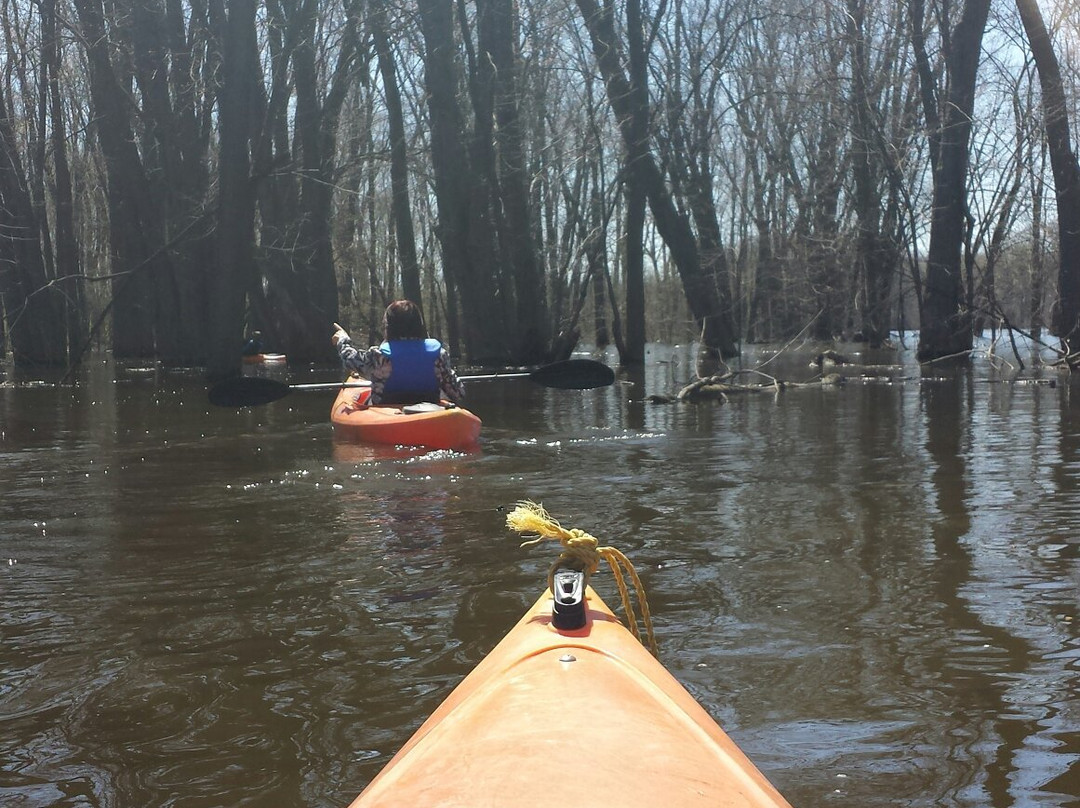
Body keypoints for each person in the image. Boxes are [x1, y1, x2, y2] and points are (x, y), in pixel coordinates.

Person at [332, 300, 465, 405]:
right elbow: (458, 393)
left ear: (389, 328)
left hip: (387, 414)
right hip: (429, 411)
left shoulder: (379, 355)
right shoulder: (439, 355)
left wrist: (343, 339)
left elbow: (349, 359)